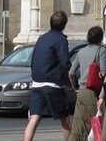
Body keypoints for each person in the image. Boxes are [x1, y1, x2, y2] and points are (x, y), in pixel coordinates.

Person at [24, 10, 74, 141]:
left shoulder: (41, 38)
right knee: (65, 119)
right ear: (64, 25)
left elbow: (34, 59)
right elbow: (65, 63)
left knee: (34, 118)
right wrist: (68, 82)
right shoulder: (61, 39)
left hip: (36, 83)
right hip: (52, 84)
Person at [68, 26, 106, 141]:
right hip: (94, 93)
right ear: (100, 38)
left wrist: (75, 88)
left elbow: (71, 73)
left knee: (78, 127)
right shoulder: (101, 51)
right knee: (96, 125)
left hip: (81, 92)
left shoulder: (81, 51)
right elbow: (104, 73)